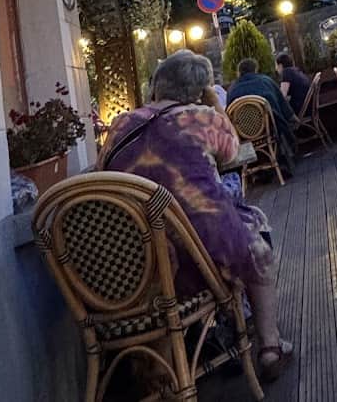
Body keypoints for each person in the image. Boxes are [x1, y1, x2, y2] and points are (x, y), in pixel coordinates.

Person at [97, 51, 292, 381]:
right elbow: (234, 152)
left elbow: (103, 169)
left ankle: (209, 338)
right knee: (255, 237)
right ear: (201, 89)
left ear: (156, 86)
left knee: (227, 219)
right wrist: (213, 104)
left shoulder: (120, 125)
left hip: (136, 266)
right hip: (200, 254)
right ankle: (269, 345)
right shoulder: (201, 117)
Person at [227, 58, 296, 173]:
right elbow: (282, 104)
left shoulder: (232, 89)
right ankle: (281, 161)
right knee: (276, 119)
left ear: (239, 73)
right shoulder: (265, 81)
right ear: (255, 69)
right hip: (269, 129)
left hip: (244, 134)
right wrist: (292, 118)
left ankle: (256, 171)